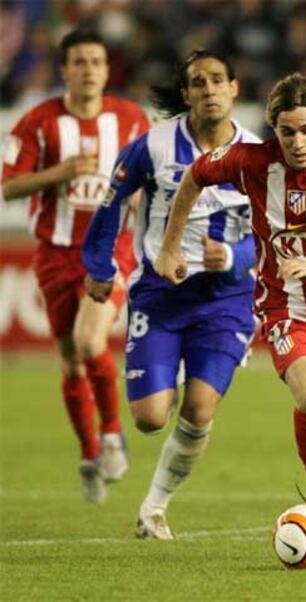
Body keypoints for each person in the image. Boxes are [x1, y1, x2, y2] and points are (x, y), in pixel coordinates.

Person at [154, 72, 306, 560]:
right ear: (274, 130)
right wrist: (170, 244)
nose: (298, 142)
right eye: (287, 132)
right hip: (289, 308)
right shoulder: (252, 163)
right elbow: (197, 175)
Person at [83, 49, 260, 539]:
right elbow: (111, 205)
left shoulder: (257, 154)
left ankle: (153, 509)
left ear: (234, 88)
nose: (209, 90)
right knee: (149, 418)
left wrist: (233, 257)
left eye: (217, 80)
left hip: (225, 299)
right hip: (161, 295)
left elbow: (270, 233)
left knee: (200, 408)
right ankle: (170, 369)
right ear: (186, 95)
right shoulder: (154, 146)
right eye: (198, 83)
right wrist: (98, 266)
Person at [1, 29, 150, 504]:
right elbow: (9, 186)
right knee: (70, 358)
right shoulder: (37, 123)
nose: (88, 70)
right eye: (79, 62)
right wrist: (60, 173)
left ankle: (111, 435)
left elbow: (151, 177)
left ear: (108, 71)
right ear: (64, 70)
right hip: (55, 252)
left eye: (96, 61)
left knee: (90, 340)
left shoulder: (130, 121)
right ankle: (90, 454)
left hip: (109, 249)